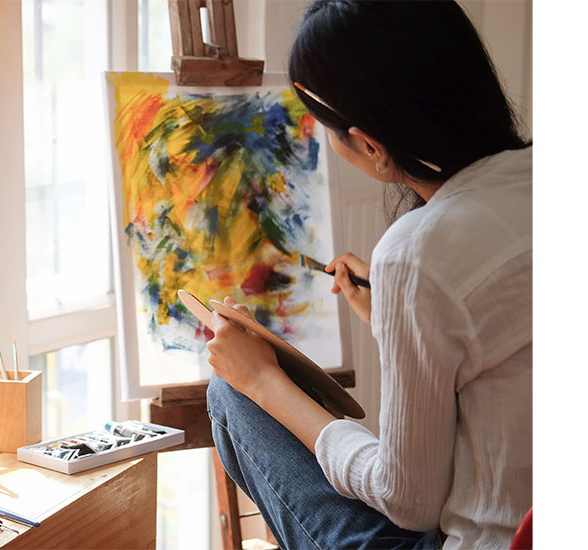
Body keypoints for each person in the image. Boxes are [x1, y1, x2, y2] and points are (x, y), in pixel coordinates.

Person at [205, 1, 531, 548]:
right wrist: (392, 316)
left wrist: (262, 381)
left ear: (373, 147)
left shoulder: (420, 250)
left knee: (230, 393)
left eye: (325, 128)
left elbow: (410, 502)